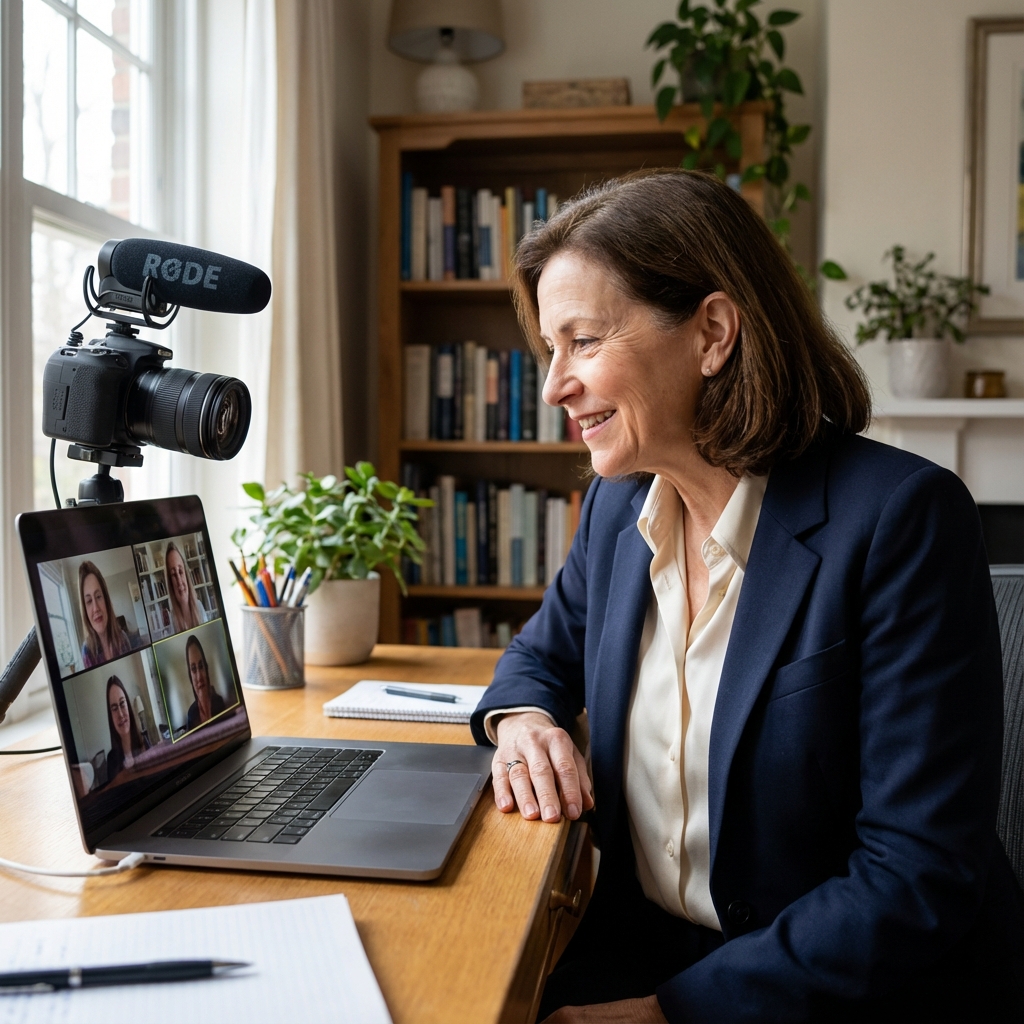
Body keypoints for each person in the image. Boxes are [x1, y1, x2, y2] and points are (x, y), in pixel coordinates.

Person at [471, 170, 1024, 1022]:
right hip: (637, 948)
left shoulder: (900, 519)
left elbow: (915, 873)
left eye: (582, 342)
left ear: (714, 333)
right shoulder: (621, 504)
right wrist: (524, 724)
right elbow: (538, 657)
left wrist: (667, 1013)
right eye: (552, 349)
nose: (554, 387)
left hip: (841, 992)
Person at [79, 560, 132, 669]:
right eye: (89, 601)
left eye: (98, 597)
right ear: (85, 610)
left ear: (106, 600)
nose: (96, 608)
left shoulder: (123, 639)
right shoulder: (87, 651)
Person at [104, 675, 145, 782]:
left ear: (128, 706)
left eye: (122, 704)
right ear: (110, 716)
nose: (121, 714)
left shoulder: (145, 742)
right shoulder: (111, 760)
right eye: (114, 708)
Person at [165, 541, 209, 633]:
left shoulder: (199, 606)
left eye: (180, 571)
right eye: (173, 574)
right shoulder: (172, 620)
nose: (179, 581)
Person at [184, 635, 225, 730]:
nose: (199, 677)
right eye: (193, 669)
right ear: (190, 676)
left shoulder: (220, 702)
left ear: (206, 669)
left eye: (201, 666)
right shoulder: (192, 714)